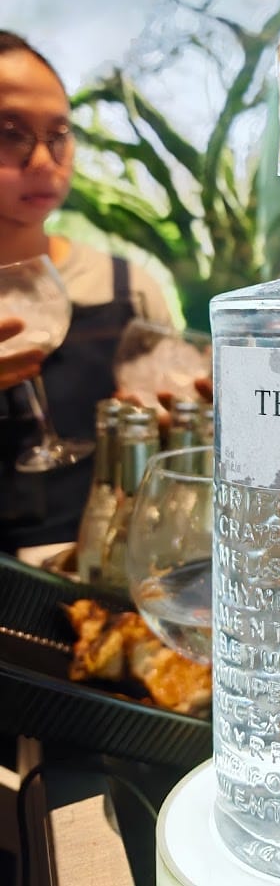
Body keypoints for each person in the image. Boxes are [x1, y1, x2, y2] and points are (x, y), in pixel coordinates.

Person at [0, 29, 174, 550]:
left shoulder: (128, 288)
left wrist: (170, 424)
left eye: (59, 134)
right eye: (9, 133)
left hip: (91, 571)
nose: (42, 161)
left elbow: (174, 442)